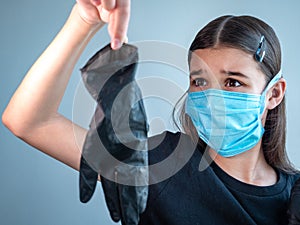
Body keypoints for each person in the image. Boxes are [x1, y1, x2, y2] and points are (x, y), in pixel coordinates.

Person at [2, 0, 299, 224]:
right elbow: (29, 121)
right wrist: (83, 20)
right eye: (199, 81)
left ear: (273, 93)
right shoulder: (160, 164)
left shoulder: (295, 197)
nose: (212, 98)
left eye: (233, 82)